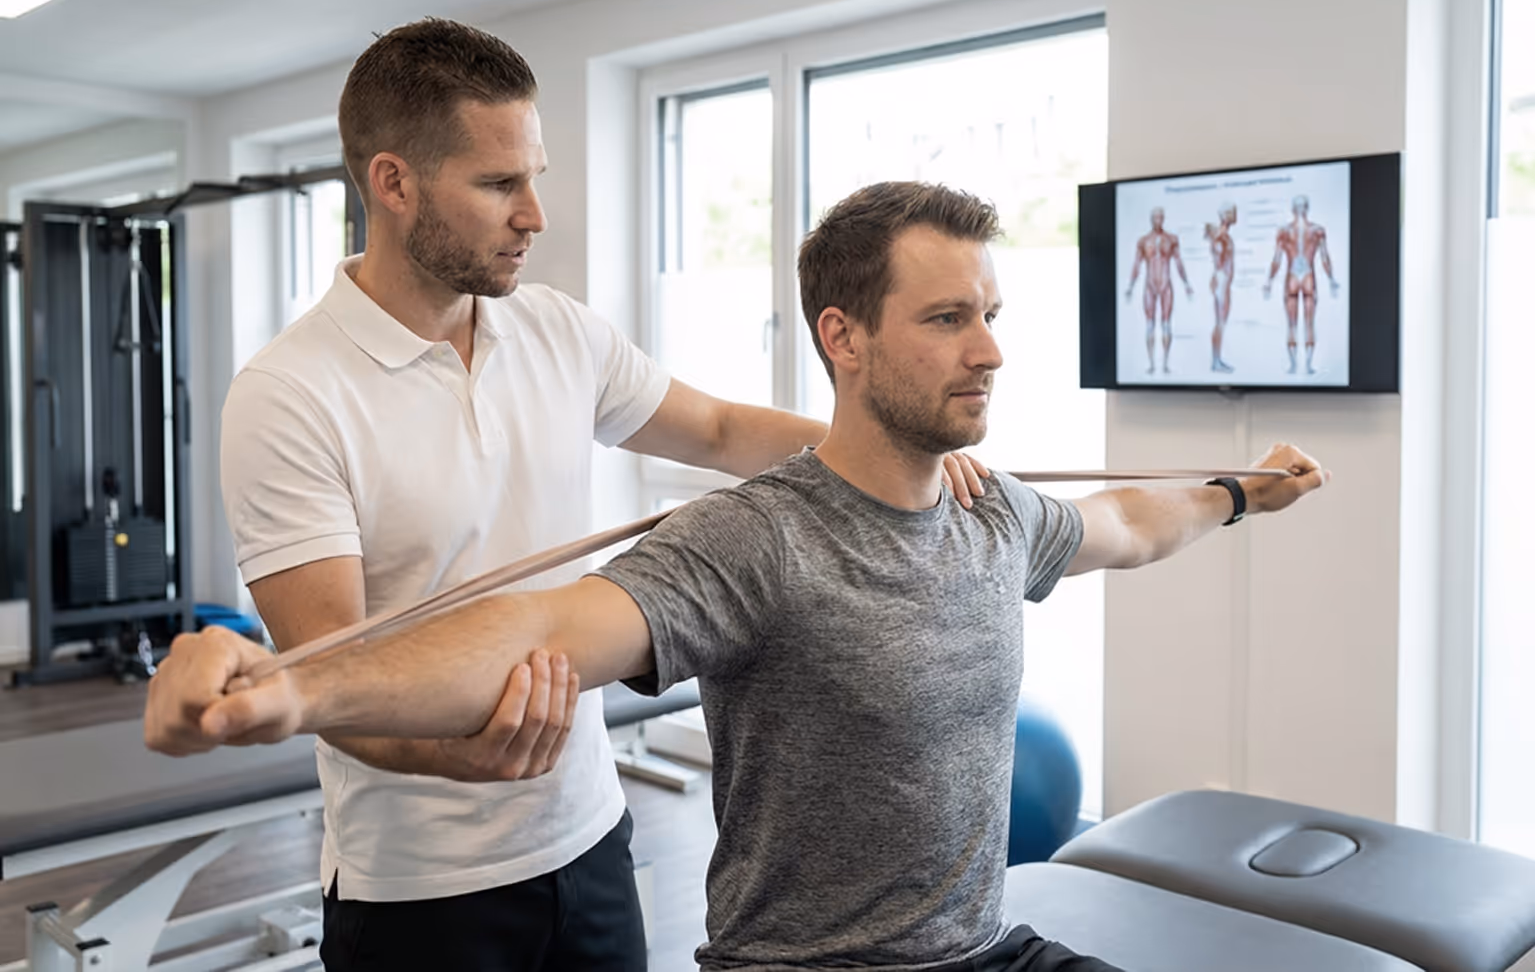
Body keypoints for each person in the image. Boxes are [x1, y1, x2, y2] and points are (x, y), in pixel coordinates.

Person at [152, 181, 1329, 971]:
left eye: (989, 313)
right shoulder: (757, 540)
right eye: (946, 318)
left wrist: (1237, 494)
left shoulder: (990, 509)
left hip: (984, 949)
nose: (990, 349)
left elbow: (1124, 520)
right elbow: (547, 624)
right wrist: (294, 690)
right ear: (844, 338)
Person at [220, 20, 987, 972]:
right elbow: (328, 677)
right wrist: (464, 754)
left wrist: (889, 446)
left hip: (588, 841)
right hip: (419, 887)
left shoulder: (555, 331)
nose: (534, 213)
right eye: (500, 184)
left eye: (533, 176)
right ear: (394, 183)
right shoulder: (288, 394)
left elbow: (714, 430)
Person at [1263, 194, 1339, 374]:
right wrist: (1331, 280)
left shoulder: (1285, 231)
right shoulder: (1316, 230)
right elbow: (1324, 257)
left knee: (1292, 324)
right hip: (1307, 277)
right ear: (1306, 207)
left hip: (1292, 277)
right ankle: (1308, 365)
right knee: (1308, 323)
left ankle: (1294, 365)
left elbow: (1277, 259)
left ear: (1293, 209)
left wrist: (1269, 281)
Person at [1124, 206, 1193, 375]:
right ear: (1151, 219)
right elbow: (1137, 264)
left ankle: (1166, 364)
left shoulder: (1171, 239)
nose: (1158, 220)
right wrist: (1131, 286)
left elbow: (1178, 262)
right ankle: (1151, 364)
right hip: (1150, 284)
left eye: (1161, 217)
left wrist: (1186, 283)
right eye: (1155, 217)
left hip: (1165, 284)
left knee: (1166, 324)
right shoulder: (1143, 241)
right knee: (1149, 324)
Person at [1203, 202, 1238, 373]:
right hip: (1222, 280)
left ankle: (1217, 360)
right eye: (1231, 213)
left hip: (1223, 281)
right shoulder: (1221, 235)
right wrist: (1218, 278)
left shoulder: (1222, 235)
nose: (1234, 215)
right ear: (1224, 216)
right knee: (1220, 323)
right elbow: (1219, 260)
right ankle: (1215, 361)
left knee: (1221, 322)